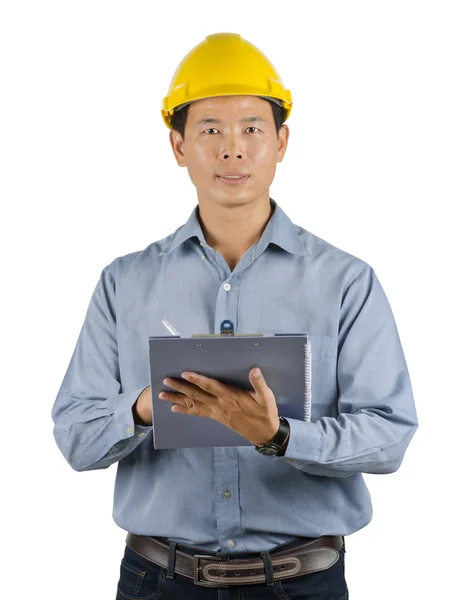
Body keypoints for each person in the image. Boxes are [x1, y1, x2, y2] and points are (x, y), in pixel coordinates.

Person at [51, 32, 419, 599]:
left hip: (302, 585)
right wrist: (148, 407)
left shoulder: (346, 282)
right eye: (210, 130)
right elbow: (75, 436)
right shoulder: (124, 283)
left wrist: (280, 436)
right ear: (178, 147)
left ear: (282, 141)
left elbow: (389, 434)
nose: (232, 149)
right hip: (157, 583)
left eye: (252, 128)